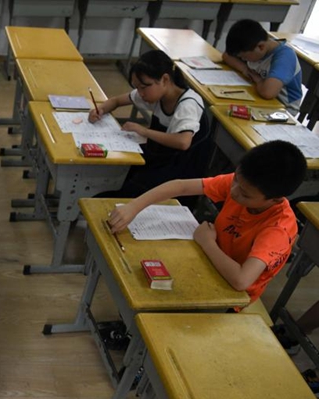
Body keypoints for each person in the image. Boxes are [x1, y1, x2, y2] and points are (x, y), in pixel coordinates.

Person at [108, 140, 307, 305]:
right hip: (207, 259)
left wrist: (207, 242)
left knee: (152, 291)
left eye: (245, 194)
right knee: (140, 265)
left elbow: (241, 281)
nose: (234, 191)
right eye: (236, 179)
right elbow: (181, 186)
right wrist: (133, 207)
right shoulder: (246, 183)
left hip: (230, 295)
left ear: (275, 199)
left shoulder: (277, 229)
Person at [89, 50, 210, 198]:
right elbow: (116, 101)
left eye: (143, 87)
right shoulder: (157, 93)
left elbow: (183, 142)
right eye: (137, 88)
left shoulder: (188, 104)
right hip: (160, 156)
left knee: (127, 189)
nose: (140, 93)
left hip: (179, 171)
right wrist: (100, 109)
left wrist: (143, 131)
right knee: (116, 170)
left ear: (165, 80)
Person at [222, 19, 302, 116]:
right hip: (259, 96)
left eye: (244, 57)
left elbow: (268, 92)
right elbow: (227, 56)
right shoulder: (255, 49)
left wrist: (258, 80)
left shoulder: (285, 57)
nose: (243, 59)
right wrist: (246, 70)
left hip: (283, 110)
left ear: (261, 47)